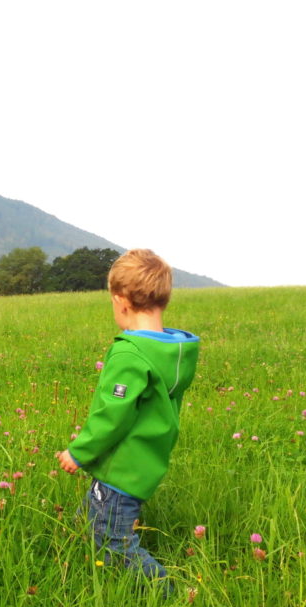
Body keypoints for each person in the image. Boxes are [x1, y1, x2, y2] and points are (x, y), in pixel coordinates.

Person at [57, 249, 200, 586]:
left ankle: (168, 595)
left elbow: (113, 416)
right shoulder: (172, 351)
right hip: (145, 463)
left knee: (115, 543)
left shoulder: (130, 353)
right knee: (88, 521)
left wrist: (79, 452)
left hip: (120, 469)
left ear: (121, 301)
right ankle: (71, 563)